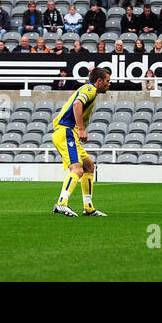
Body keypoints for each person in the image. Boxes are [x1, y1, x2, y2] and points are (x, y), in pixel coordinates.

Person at [51, 66, 112, 217]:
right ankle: (61, 203)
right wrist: (81, 129)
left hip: (68, 132)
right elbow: (77, 104)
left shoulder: (89, 89)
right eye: (107, 81)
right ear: (99, 81)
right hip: (66, 131)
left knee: (89, 166)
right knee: (77, 169)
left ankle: (88, 208)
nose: (109, 84)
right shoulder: (90, 90)